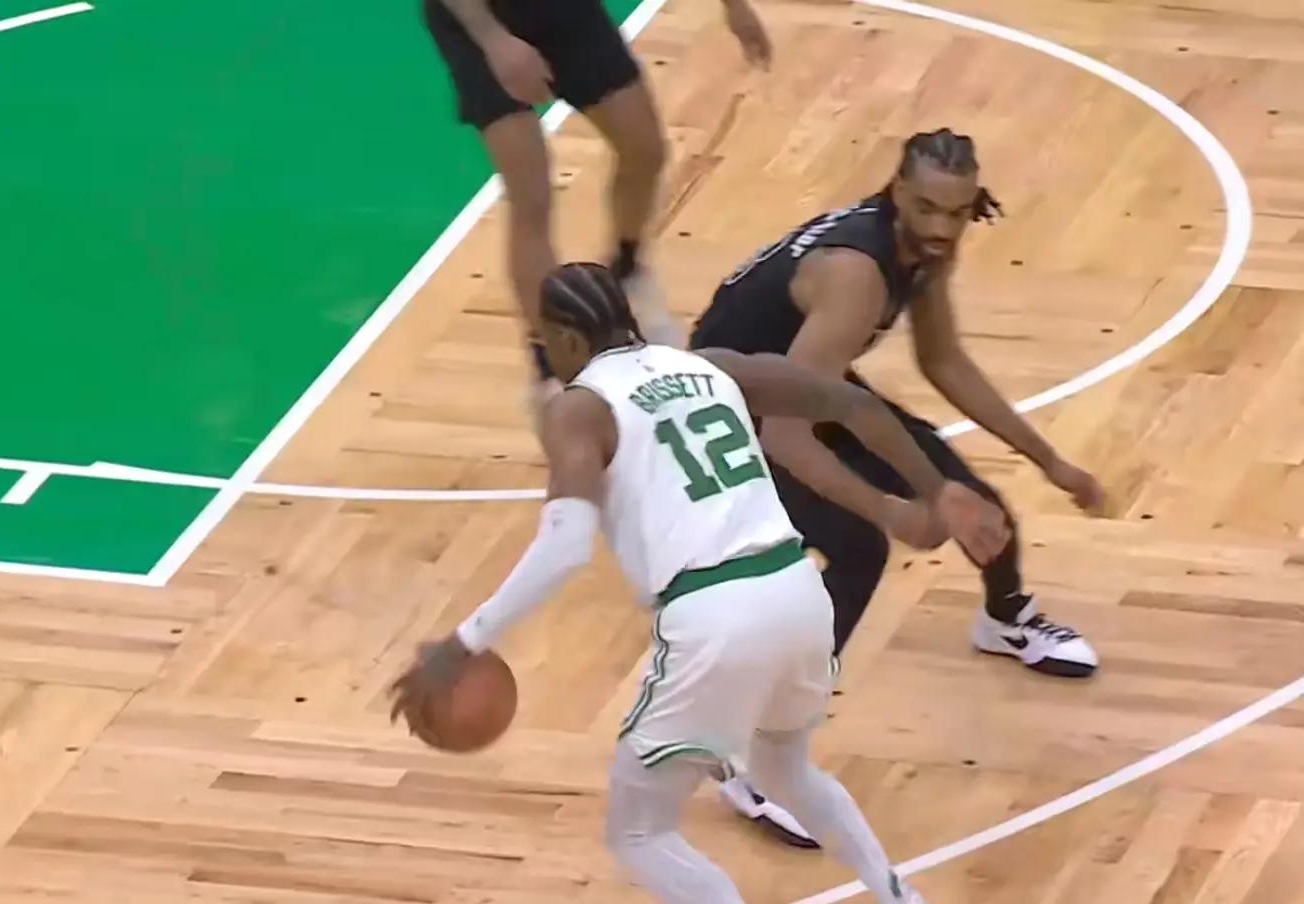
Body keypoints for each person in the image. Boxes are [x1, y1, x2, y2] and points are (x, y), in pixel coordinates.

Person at [391, 262, 1013, 904]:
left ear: (567, 340)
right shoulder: (713, 367)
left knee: (639, 832)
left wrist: (464, 642)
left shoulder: (579, 408)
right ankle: (900, 896)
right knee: (785, 769)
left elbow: (567, 545)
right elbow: (854, 404)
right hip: (798, 593)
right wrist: (937, 487)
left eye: (544, 339)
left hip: (716, 615)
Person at [689, 128, 1108, 846]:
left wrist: (1049, 461)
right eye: (928, 209)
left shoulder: (925, 248)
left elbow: (944, 361)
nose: (944, 227)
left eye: (958, 212)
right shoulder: (856, 274)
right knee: (858, 550)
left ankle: (1005, 619)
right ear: (897, 193)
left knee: (970, 496)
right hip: (727, 413)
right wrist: (889, 507)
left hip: (806, 382)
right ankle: (744, 751)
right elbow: (784, 435)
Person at [422, 0, 773, 399]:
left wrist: (735, 7)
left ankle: (625, 272)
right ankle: (552, 366)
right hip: (481, 22)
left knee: (645, 149)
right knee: (531, 194)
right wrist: (496, 42)